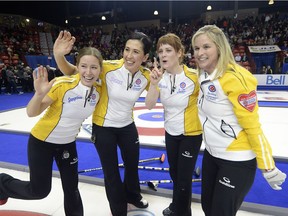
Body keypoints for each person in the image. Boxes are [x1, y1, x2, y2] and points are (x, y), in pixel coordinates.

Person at [53, 30, 152, 216]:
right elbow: (74, 72)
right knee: (112, 173)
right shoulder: (107, 67)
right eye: (127, 49)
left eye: (136, 52)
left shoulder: (146, 75)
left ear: (145, 56)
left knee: (132, 166)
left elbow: (161, 91)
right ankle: (118, 210)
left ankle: (132, 195)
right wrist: (59, 55)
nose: (129, 56)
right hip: (104, 128)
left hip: (127, 127)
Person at [191, 25, 286, 216]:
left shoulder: (237, 78)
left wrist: (267, 165)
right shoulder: (203, 75)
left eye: (206, 47)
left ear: (220, 47)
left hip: (236, 160)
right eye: (196, 48)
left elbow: (253, 126)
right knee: (208, 208)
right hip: (212, 154)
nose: (200, 53)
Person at [0, 46, 103, 216]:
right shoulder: (62, 85)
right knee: (39, 191)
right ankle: (2, 183)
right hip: (42, 142)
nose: (88, 72)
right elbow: (31, 112)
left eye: (94, 67)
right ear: (77, 66)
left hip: (67, 144)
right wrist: (39, 94)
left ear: (100, 69)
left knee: (72, 188)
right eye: (83, 66)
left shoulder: (99, 90)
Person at [145, 33, 202, 216]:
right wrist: (153, 85)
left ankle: (182, 212)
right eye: (160, 51)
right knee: (174, 174)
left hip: (191, 134)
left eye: (168, 50)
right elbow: (149, 105)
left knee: (184, 179)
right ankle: (178, 207)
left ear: (179, 53)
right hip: (170, 133)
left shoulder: (194, 77)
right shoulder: (159, 77)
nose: (163, 55)